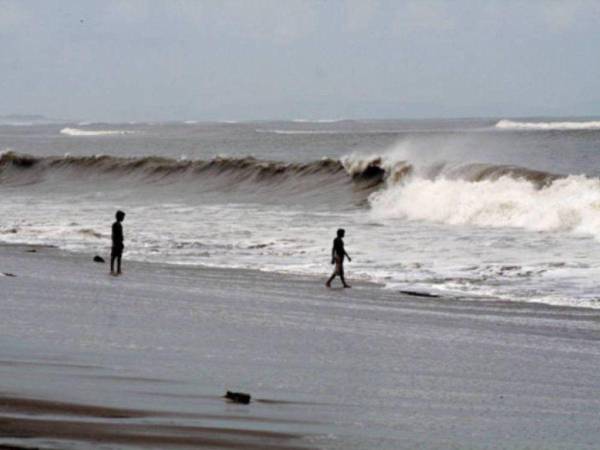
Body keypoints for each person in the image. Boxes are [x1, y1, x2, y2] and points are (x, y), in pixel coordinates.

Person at [110, 210, 125, 275]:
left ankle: (116, 269)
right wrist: (117, 242)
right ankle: (114, 270)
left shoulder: (116, 224)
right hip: (117, 243)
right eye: (122, 217)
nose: (123, 218)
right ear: (119, 217)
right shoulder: (117, 225)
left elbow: (114, 235)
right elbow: (116, 235)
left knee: (117, 257)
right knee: (115, 257)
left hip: (117, 242)